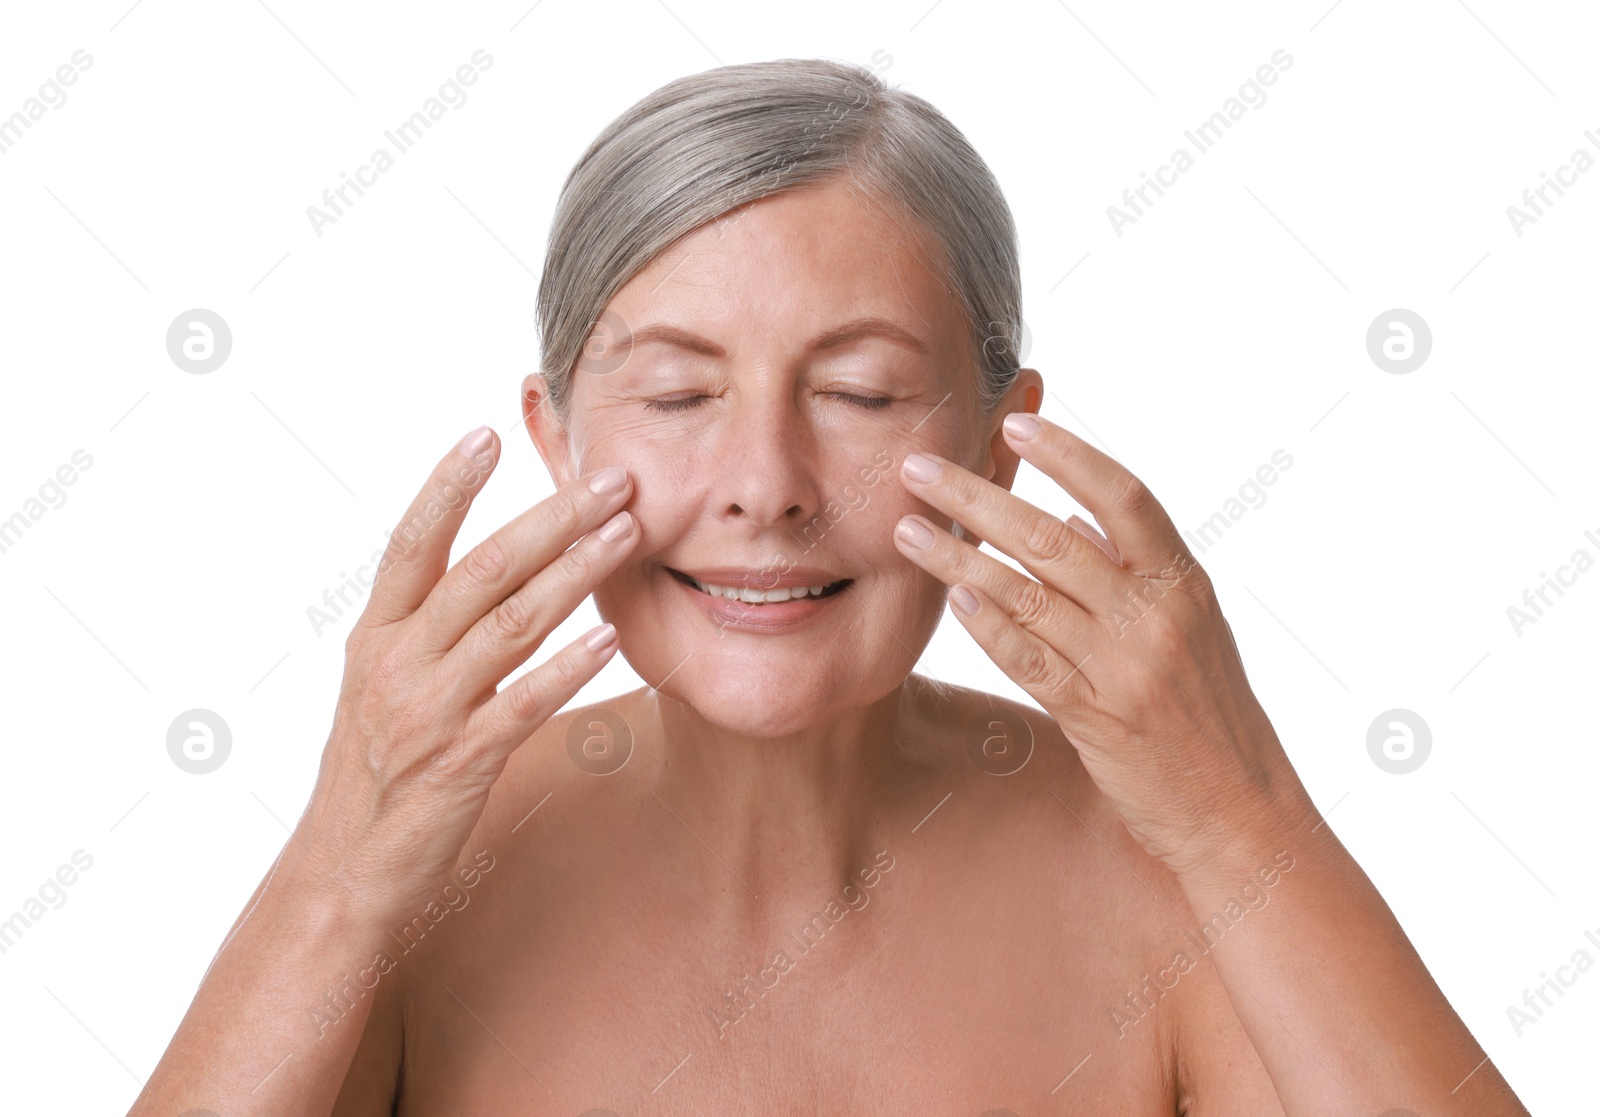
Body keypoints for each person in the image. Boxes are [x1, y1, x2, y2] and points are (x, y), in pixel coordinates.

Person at [130, 58, 1526, 1116]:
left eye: (859, 391)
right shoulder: (407, 890)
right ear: (558, 440)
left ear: (996, 438)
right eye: (677, 390)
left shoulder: (1165, 878)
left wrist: (1243, 816)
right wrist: (334, 873)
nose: (767, 483)